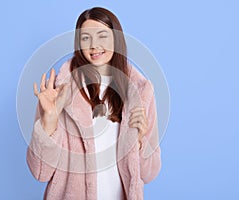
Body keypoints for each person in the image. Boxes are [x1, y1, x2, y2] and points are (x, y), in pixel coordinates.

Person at [27, 7, 161, 200]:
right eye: (85, 38)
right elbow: (41, 173)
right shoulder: (59, 92)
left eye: (102, 36)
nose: (94, 46)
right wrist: (49, 122)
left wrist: (141, 141)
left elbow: (149, 174)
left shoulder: (141, 93)